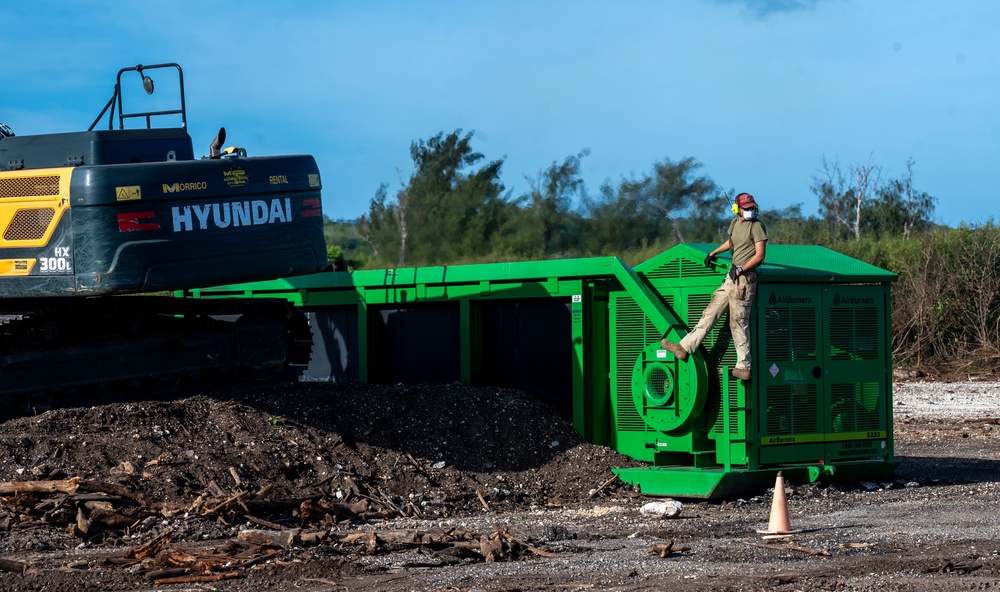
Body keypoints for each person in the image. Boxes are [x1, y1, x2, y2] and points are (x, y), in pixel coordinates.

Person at [660, 192, 768, 380]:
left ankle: (744, 366)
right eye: (746, 208)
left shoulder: (757, 226)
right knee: (710, 313)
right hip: (731, 277)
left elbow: (760, 256)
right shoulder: (735, 223)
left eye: (752, 208)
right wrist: (713, 252)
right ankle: (684, 348)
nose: (750, 211)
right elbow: (732, 241)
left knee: (738, 322)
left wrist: (742, 269)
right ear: (737, 209)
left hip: (744, 279)